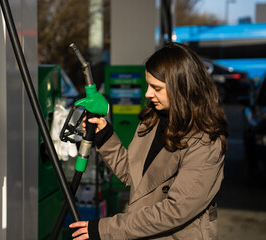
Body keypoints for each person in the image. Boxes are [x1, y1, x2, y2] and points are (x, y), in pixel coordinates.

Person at [69, 42, 228, 240]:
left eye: (157, 88)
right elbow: (132, 175)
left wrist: (107, 229)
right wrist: (105, 135)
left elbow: (175, 210)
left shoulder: (206, 141)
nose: (148, 94)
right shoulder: (153, 120)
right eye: (148, 85)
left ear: (182, 88)